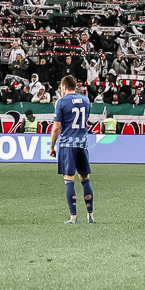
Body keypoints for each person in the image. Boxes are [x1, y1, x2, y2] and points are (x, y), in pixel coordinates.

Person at [48, 75, 96, 224]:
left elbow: (56, 128)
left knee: (69, 180)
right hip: (82, 144)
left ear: (63, 86)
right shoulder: (86, 100)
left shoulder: (61, 102)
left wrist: (52, 146)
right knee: (85, 179)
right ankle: (90, 215)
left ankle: (73, 217)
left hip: (68, 144)